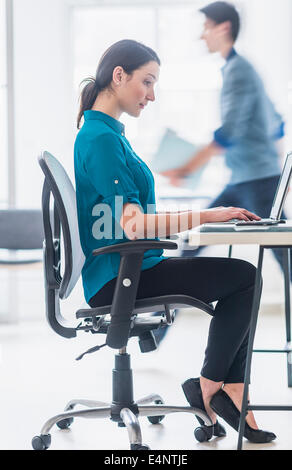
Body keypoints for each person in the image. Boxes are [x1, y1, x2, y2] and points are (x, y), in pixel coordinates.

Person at [74, 39, 275, 443]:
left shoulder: (109, 134)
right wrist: (209, 214)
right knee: (246, 279)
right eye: (146, 82)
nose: (151, 94)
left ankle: (220, 388)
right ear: (119, 76)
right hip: (123, 276)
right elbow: (134, 226)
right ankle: (215, 387)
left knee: (244, 278)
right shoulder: (100, 139)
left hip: (131, 268)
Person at [158, 1, 288, 345]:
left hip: (256, 181)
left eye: (206, 28)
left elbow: (229, 132)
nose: (202, 37)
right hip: (248, 177)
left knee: (285, 261)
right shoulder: (242, 69)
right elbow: (276, 122)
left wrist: (186, 168)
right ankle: (158, 327)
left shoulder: (238, 71)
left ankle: (157, 328)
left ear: (224, 28)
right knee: (192, 240)